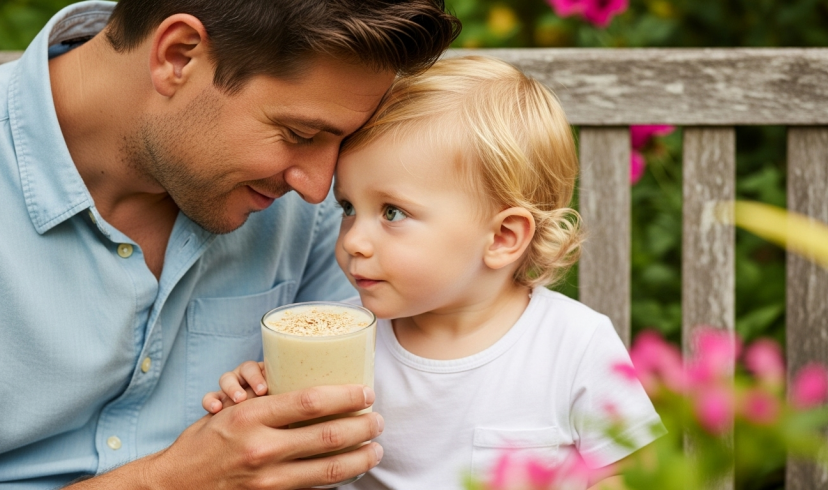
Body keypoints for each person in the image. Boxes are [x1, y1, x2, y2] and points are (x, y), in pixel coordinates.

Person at [0, 1, 460, 488]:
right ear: (178, 56)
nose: (317, 188)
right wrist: (169, 482)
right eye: (298, 133)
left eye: (340, 142)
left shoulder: (318, 208)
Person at [204, 56, 666, 489]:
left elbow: (639, 475)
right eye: (348, 207)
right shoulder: (340, 341)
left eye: (393, 213)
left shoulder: (574, 344)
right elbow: (293, 460)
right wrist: (258, 406)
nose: (352, 241)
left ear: (503, 237)